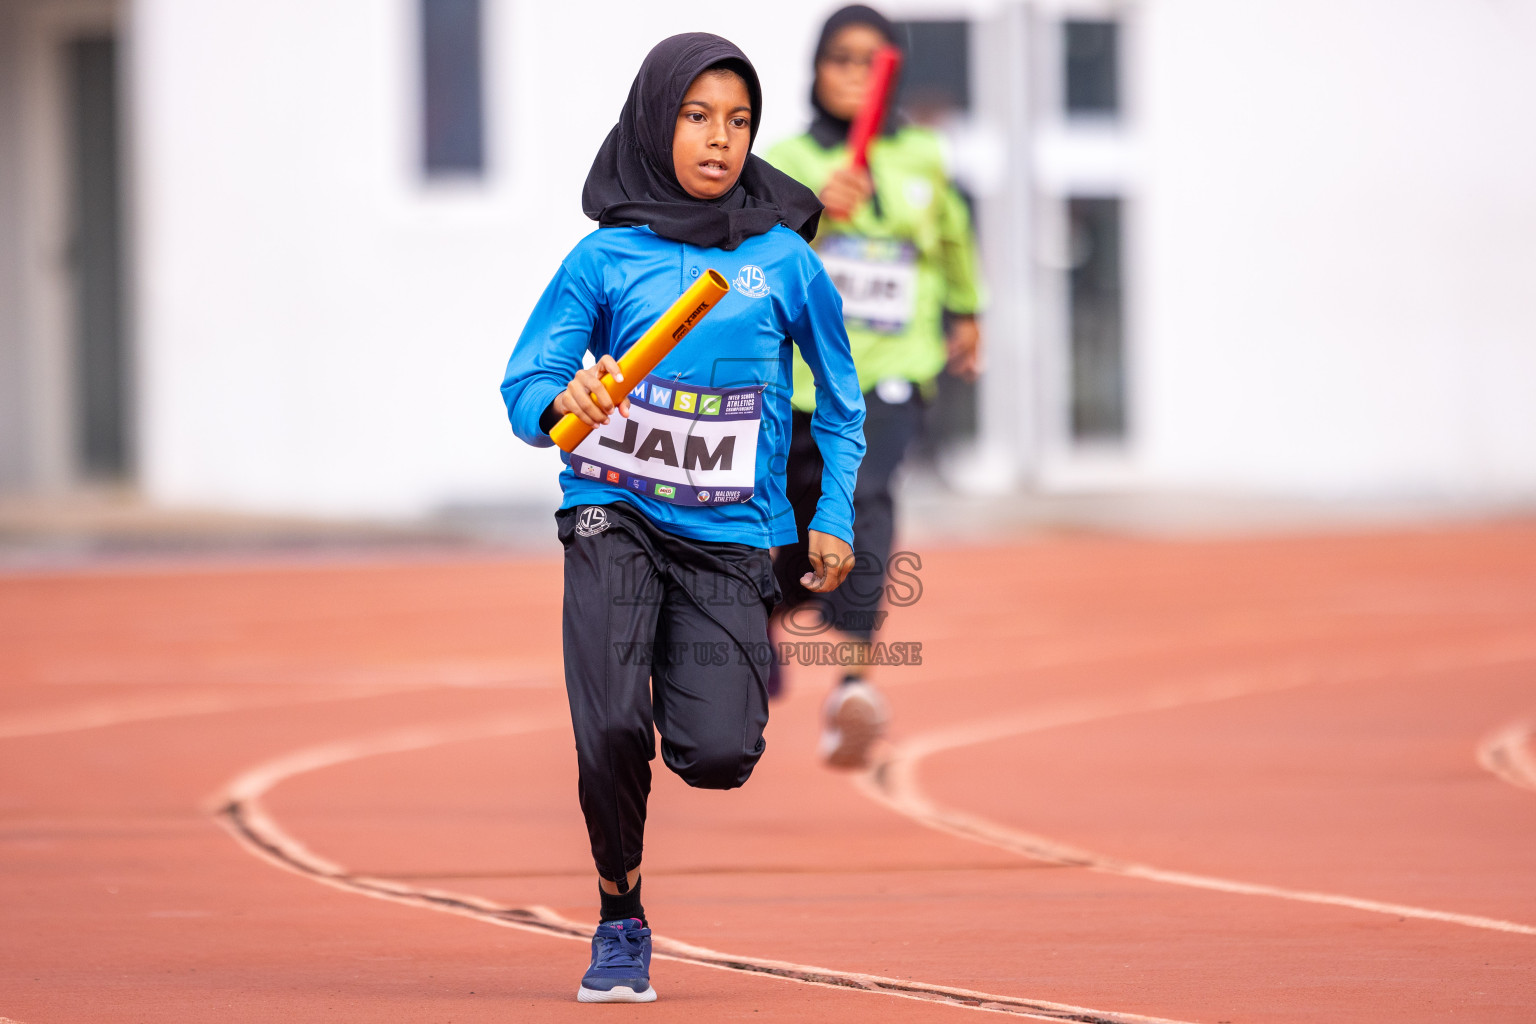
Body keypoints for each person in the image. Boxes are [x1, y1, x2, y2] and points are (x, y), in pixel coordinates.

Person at [499, 33, 866, 1003]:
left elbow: (841, 397)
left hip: (730, 537)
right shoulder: (604, 259)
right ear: (656, 123)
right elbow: (526, 383)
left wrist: (828, 510)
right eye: (697, 116)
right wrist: (562, 406)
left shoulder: (782, 261)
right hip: (609, 512)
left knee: (717, 756)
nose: (720, 139)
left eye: (738, 121)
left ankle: (671, 657)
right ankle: (620, 917)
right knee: (613, 725)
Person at [766, 4, 984, 769]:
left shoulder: (923, 154)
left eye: (872, 59)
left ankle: (854, 684)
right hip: (798, 377)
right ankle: (760, 629)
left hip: (892, 370)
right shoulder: (786, 157)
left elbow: (953, 237)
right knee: (788, 520)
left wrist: (965, 312)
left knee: (866, 495)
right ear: (816, 70)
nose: (856, 74)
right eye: (841, 59)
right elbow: (755, 261)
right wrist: (816, 219)